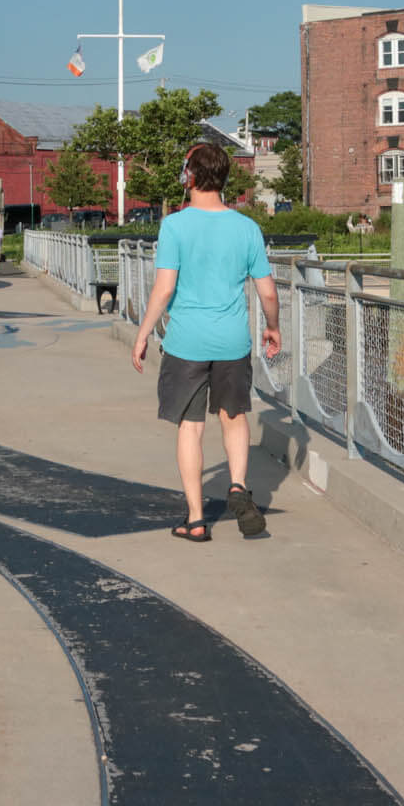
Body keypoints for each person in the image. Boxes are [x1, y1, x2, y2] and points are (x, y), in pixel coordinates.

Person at [129, 143, 281, 543]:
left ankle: (196, 520)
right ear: (225, 178)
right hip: (232, 342)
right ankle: (236, 484)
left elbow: (164, 289)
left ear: (188, 176)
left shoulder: (175, 225)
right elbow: (267, 292)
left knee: (190, 427)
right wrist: (273, 326)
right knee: (234, 416)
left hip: (186, 344)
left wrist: (143, 333)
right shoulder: (246, 227)